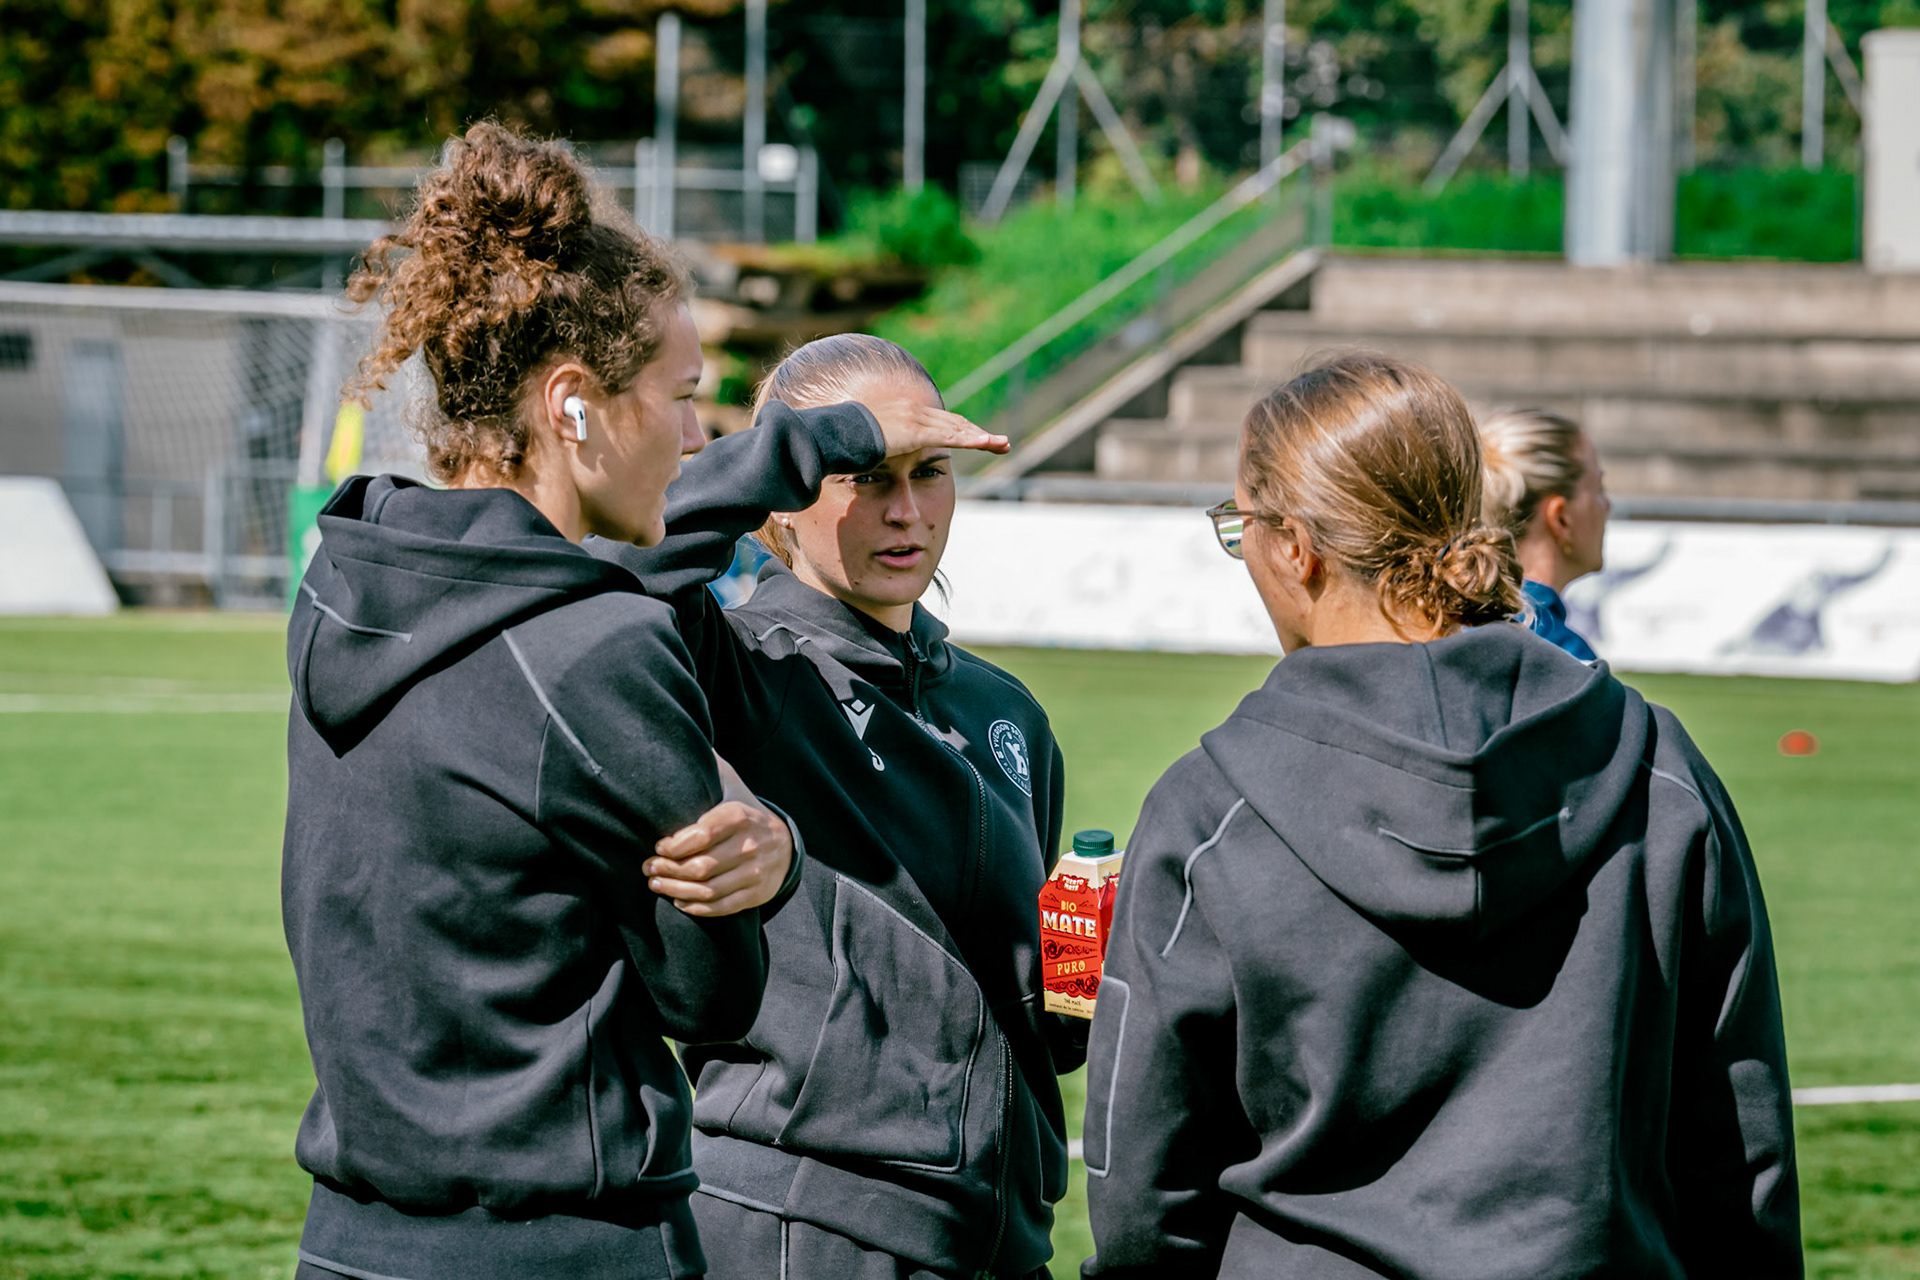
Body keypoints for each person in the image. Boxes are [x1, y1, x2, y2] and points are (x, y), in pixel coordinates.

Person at [1082, 354, 1799, 1279]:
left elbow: (1145, 1188)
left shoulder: (1209, 812)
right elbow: (1741, 1150)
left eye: (1241, 527)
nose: (1244, 553)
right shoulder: (1658, 770)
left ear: (1294, 545)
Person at [285, 122, 823, 1280]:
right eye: (683, 397)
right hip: (568, 1247)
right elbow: (712, 995)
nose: (698, 437)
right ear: (574, 404)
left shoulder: (339, 585)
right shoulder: (598, 646)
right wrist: (765, 856)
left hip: (346, 1245)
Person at [589, 334, 1076, 1280]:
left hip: (999, 1235)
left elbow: (1013, 1010)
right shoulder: (734, 667)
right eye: (863, 473)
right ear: (786, 490)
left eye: (929, 473)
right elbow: (615, 574)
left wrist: (1077, 987)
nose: (906, 511)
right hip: (802, 1226)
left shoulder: (1005, 711)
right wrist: (800, 443)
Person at [1480, 407, 1611, 660]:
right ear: (1561, 518)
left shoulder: (1442, 631)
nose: (1607, 506)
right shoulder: (1568, 662)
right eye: (1598, 489)